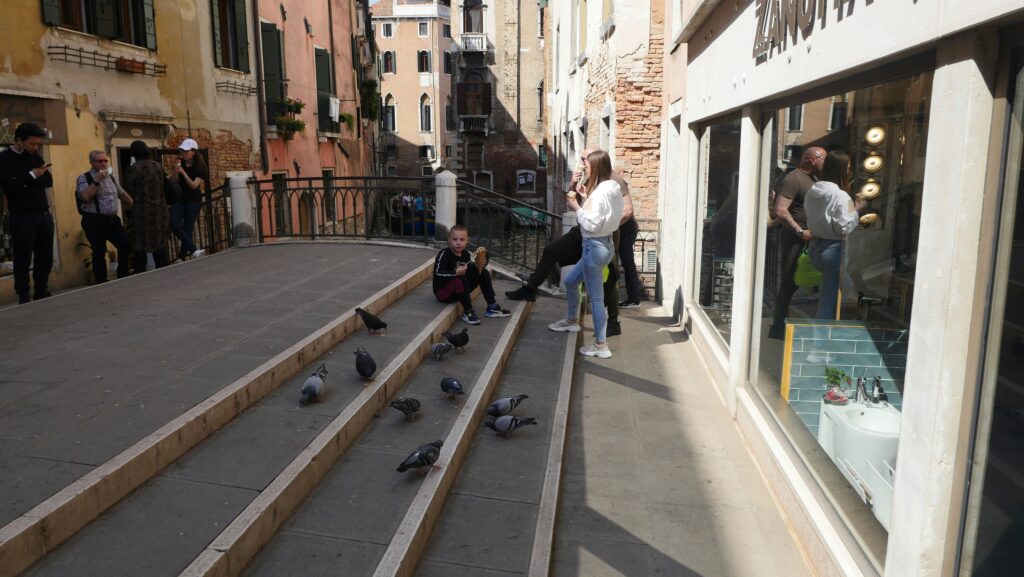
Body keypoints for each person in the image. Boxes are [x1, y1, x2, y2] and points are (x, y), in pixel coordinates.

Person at [506, 148, 633, 336]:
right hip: (583, 232)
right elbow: (575, 204)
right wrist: (574, 185)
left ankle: (612, 323)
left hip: (602, 238)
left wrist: (606, 227)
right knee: (552, 252)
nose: (582, 163)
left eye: (585, 159)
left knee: (609, 279)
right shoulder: (590, 177)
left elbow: (628, 210)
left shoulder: (615, 181)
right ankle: (531, 289)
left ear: (597, 160)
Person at [548, 150, 623, 359]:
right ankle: (572, 320)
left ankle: (601, 345)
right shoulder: (611, 188)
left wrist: (576, 207)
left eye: (587, 165)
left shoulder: (600, 193)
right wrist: (584, 197)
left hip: (595, 246)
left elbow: (590, 223)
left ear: (597, 166)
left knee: (596, 299)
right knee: (571, 281)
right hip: (604, 245)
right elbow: (604, 214)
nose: (584, 168)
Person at [767, 146, 825, 339]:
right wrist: (800, 231)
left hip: (808, 238)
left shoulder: (813, 179)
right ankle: (778, 327)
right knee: (788, 281)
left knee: (802, 281)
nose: (826, 163)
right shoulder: (794, 178)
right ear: (812, 160)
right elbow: (781, 210)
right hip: (795, 239)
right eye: (824, 159)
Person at [805, 150, 869, 320]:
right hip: (832, 249)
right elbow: (845, 227)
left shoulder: (813, 190)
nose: (850, 171)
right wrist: (858, 209)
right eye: (848, 168)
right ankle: (820, 340)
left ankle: (828, 329)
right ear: (842, 170)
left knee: (842, 287)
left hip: (816, 247)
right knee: (830, 300)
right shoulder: (840, 196)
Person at [0, 123, 54, 304]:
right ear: (19, 141)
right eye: (32, 143)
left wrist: (28, 179)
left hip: (43, 213)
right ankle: (24, 294)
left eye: (38, 144)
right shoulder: (5, 158)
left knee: (45, 255)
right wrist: (31, 176)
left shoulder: (35, 157)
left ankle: (41, 290)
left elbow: (47, 180)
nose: (35, 147)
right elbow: (9, 186)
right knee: (23, 257)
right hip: (22, 215)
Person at [433, 225, 511, 325]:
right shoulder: (444, 254)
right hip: (443, 293)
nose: (458, 242)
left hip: (459, 290)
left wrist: (479, 265)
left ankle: (492, 306)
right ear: (449, 239)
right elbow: (438, 273)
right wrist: (455, 273)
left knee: (483, 273)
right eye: (455, 239)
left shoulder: (466, 255)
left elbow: (470, 271)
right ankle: (468, 312)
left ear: (467, 240)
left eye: (462, 239)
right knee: (461, 277)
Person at [76, 150, 134, 283]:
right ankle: (101, 280)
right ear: (92, 163)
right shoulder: (84, 178)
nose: (103, 164)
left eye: (105, 161)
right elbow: (85, 197)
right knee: (99, 250)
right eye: (100, 161)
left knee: (124, 244)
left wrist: (135, 206)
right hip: (94, 220)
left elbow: (122, 194)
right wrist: (96, 181)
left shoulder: (111, 177)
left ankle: (123, 274)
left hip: (112, 219)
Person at [124, 140, 171, 271]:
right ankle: (164, 272)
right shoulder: (158, 166)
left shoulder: (133, 169)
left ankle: (140, 274)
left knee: (140, 245)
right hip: (161, 210)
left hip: (142, 212)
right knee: (160, 245)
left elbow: (129, 189)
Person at [170, 138, 207, 261]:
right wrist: (176, 172)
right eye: (182, 151)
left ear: (194, 152)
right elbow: (175, 181)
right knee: (174, 224)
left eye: (186, 151)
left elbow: (194, 186)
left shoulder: (200, 167)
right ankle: (194, 250)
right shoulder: (180, 164)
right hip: (179, 199)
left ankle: (181, 257)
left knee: (188, 228)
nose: (183, 153)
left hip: (193, 200)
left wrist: (184, 173)